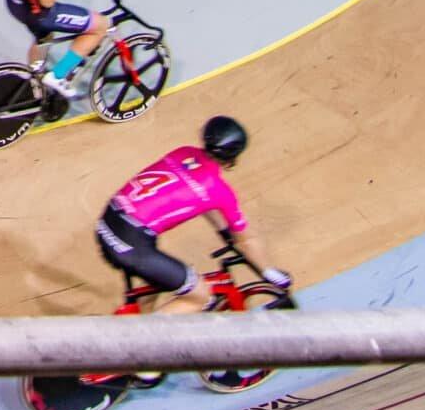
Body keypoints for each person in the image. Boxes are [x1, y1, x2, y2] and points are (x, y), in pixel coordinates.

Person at [95, 117, 290, 320]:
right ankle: (140, 336)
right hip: (131, 244)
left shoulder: (183, 153)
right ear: (234, 156)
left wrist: (226, 233)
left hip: (109, 221)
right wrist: (269, 272)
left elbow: (206, 205)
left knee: (159, 279)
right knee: (200, 297)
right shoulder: (219, 191)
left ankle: (141, 318)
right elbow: (247, 241)